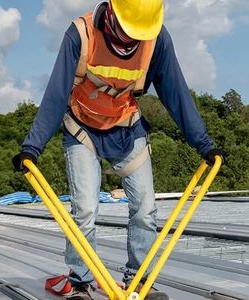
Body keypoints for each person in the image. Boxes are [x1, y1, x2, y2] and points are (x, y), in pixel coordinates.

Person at [12, 1, 224, 299]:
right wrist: (31, 147)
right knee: (84, 209)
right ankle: (82, 280)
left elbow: (176, 92)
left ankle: (139, 281)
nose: (133, 38)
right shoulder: (81, 34)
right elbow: (57, 93)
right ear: (112, 11)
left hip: (127, 127)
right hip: (82, 129)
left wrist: (205, 144)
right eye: (129, 31)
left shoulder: (156, 39)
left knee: (145, 209)